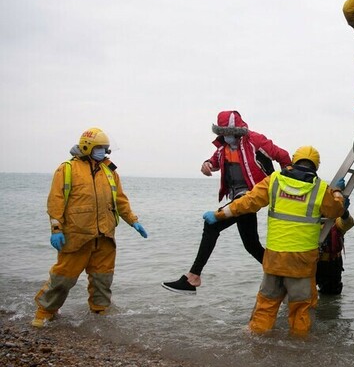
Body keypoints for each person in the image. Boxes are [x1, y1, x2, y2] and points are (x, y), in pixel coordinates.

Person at [202, 146, 345, 336]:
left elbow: (247, 202)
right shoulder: (320, 189)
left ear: (293, 160)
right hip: (301, 262)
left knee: (266, 305)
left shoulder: (274, 180)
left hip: (274, 258)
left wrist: (219, 214)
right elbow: (336, 211)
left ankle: (255, 343)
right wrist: (337, 192)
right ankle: (300, 348)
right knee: (301, 310)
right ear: (316, 165)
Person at [162, 111, 291, 294]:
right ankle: (283, 277)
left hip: (253, 195)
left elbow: (283, 156)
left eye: (230, 132)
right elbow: (214, 161)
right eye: (223, 133)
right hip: (238, 197)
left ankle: (193, 277)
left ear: (239, 130)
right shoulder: (223, 148)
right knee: (251, 245)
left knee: (212, 224)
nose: (227, 136)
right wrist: (207, 164)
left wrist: (286, 184)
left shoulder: (256, 140)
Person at [33, 127, 148, 327]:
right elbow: (55, 202)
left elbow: (120, 200)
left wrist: (133, 220)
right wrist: (56, 229)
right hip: (77, 236)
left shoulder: (109, 171)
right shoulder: (67, 169)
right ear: (87, 147)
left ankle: (100, 314)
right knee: (63, 278)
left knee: (103, 279)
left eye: (105, 148)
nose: (104, 151)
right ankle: (45, 311)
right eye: (100, 148)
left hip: (105, 236)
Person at [316, 200, 354, 295]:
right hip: (311, 261)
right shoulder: (308, 221)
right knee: (303, 293)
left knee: (332, 294)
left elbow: (348, 223)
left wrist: (343, 212)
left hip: (331, 264)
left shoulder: (335, 221)